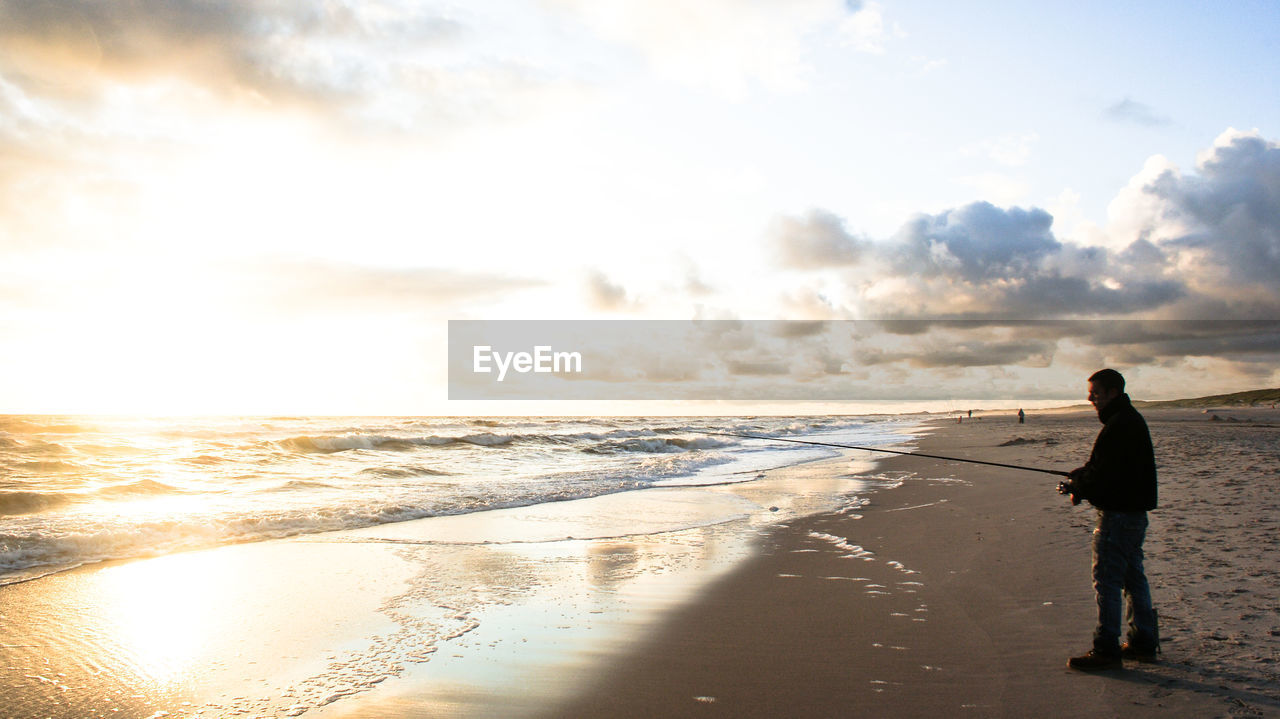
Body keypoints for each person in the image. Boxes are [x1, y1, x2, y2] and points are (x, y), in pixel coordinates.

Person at [1057, 368, 1159, 671]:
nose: (1091, 399)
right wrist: (1081, 478)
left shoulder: (1120, 425)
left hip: (1118, 516)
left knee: (1107, 581)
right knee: (1132, 578)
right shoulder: (1126, 420)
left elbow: (1104, 475)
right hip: (1132, 514)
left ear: (1113, 392)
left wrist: (1079, 486)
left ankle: (1106, 649)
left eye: (1096, 393)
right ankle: (1143, 642)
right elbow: (1105, 468)